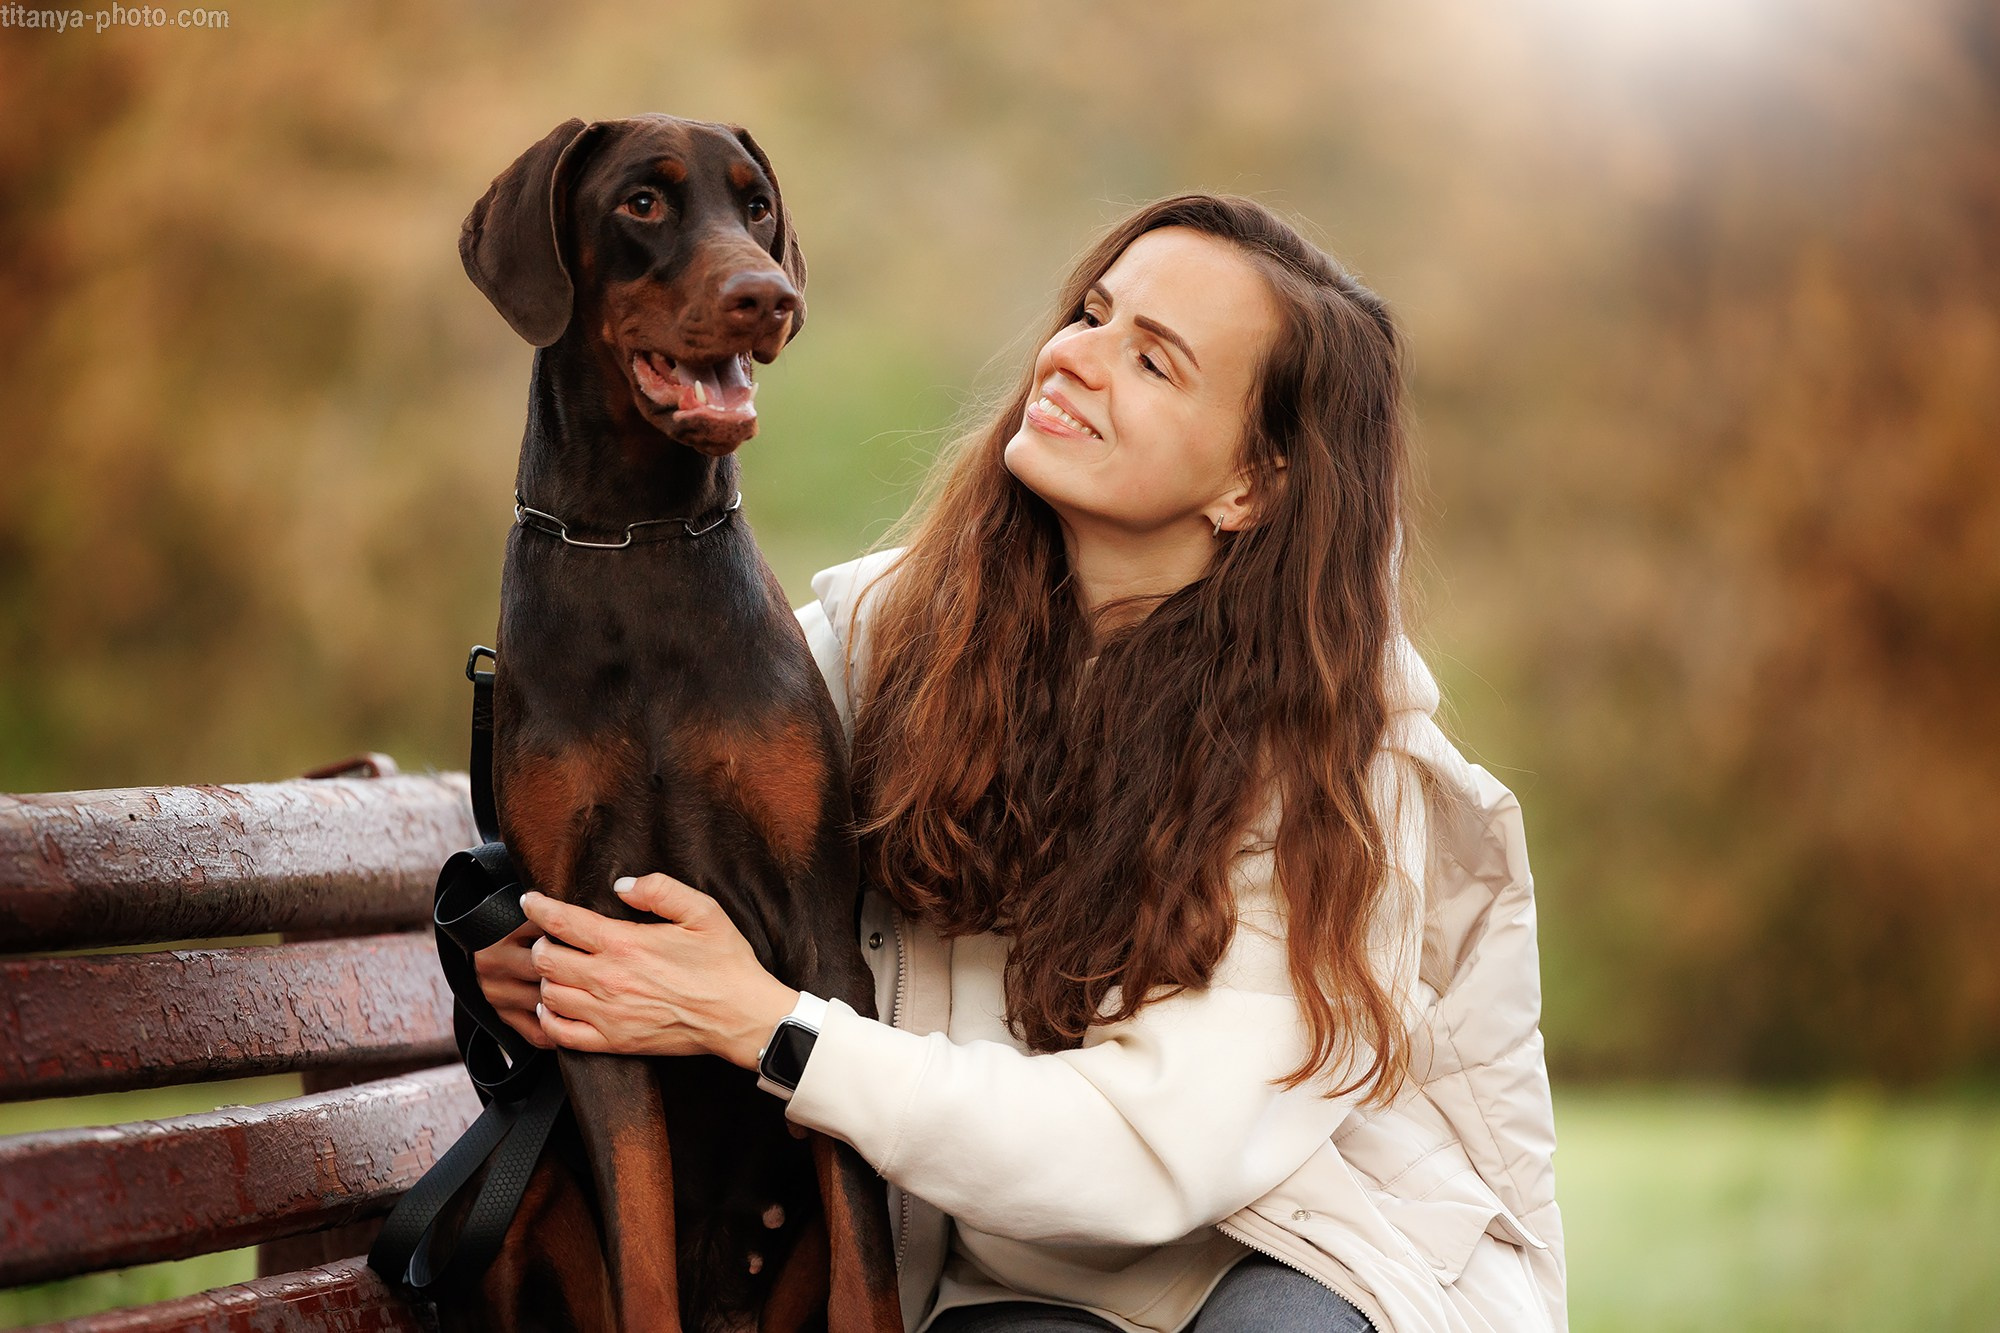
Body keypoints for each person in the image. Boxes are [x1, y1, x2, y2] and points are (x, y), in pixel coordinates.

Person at [474, 194, 1567, 1333]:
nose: (1073, 360)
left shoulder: (1348, 769)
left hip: (1310, 1251)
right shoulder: (881, 639)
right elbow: (636, 802)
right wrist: (532, 952)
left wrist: (769, 1025)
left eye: (1151, 361)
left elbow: (1142, 1154)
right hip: (1016, 1280)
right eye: (1091, 313)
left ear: (1254, 481)